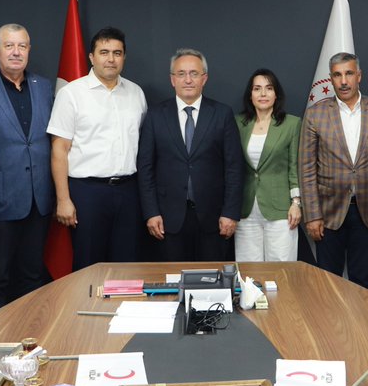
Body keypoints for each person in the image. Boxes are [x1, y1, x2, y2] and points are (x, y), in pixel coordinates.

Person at [47, 27, 147, 269]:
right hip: (87, 193)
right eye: (104, 52)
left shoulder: (136, 93)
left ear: (124, 57)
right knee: (88, 265)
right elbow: (59, 149)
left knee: (128, 265)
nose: (110, 59)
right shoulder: (71, 94)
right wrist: (63, 199)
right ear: (91, 57)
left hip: (128, 192)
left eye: (117, 53)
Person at [0, 24, 54, 311]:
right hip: (2, 200)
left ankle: (29, 337)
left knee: (33, 274)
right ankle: (0, 340)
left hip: (39, 200)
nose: (16, 52)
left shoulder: (44, 87)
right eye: (9, 46)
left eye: (22, 46)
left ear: (29, 50)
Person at [138, 49, 244, 262]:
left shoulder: (222, 114)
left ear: (204, 78)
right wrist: (151, 212)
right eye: (181, 74)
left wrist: (230, 212)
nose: (188, 80)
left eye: (194, 73)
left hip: (213, 219)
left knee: (212, 283)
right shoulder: (156, 115)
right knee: (172, 282)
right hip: (167, 219)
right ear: (172, 79)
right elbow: (145, 168)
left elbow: (234, 167)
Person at [299, 52, 368, 290]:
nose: (343, 81)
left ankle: (360, 328)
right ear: (330, 78)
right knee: (328, 282)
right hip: (328, 213)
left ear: (358, 76)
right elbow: (307, 168)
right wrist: (312, 215)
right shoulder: (315, 114)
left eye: (349, 74)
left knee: (362, 280)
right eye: (337, 75)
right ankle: (329, 328)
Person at [234, 69, 302, 262]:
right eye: (257, 89)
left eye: (268, 88)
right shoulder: (238, 123)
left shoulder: (291, 124)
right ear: (250, 94)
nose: (263, 94)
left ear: (276, 94)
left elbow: (294, 167)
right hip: (245, 209)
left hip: (280, 209)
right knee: (248, 271)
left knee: (281, 269)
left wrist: (296, 203)